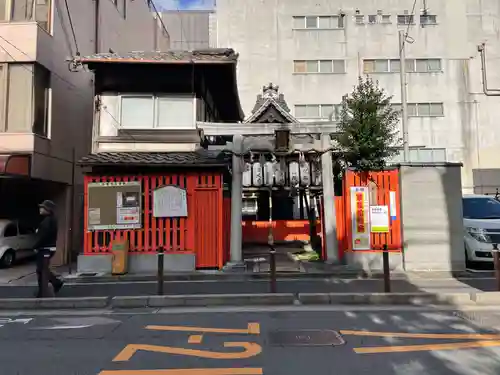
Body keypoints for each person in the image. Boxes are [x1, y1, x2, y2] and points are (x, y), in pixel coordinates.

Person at [34, 200, 64, 297]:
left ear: (48, 210)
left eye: (42, 207)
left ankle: (43, 292)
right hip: (47, 248)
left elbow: (44, 236)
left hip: (45, 249)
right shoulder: (49, 220)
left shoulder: (48, 221)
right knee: (42, 269)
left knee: (42, 270)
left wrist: (35, 246)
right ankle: (55, 283)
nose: (40, 209)